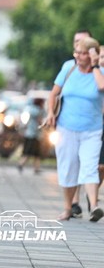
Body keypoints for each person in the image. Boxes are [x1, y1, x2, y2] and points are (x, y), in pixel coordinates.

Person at [44, 36, 104, 222]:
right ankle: (68, 208)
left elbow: (102, 87)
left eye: (83, 53)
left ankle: (94, 206)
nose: (78, 56)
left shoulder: (100, 72)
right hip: (66, 128)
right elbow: (54, 94)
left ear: (92, 54)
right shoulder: (68, 68)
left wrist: (95, 66)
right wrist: (50, 114)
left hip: (92, 130)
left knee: (90, 166)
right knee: (68, 166)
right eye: (76, 52)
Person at [18, 97, 46, 174]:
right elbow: (40, 121)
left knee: (33, 153)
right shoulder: (39, 111)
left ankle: (35, 168)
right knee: (31, 152)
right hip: (35, 135)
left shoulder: (30, 109)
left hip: (29, 133)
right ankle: (21, 164)